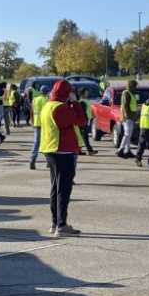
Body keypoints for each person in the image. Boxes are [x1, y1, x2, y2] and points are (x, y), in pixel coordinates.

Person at [39, 79, 86, 236]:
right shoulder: (60, 108)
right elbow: (81, 120)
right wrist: (75, 103)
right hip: (62, 151)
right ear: (67, 93)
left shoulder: (48, 106)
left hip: (51, 149)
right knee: (63, 190)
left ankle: (55, 222)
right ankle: (61, 225)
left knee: (55, 188)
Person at [29, 83, 49, 169]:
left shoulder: (35, 99)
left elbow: (32, 111)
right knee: (47, 142)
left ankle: (32, 160)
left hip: (36, 123)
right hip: (44, 123)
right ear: (46, 92)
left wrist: (32, 121)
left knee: (36, 142)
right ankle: (49, 161)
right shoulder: (46, 100)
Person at [117, 80, 140, 157]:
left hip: (131, 117)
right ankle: (120, 150)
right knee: (127, 134)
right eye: (135, 86)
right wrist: (125, 116)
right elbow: (125, 106)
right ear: (131, 86)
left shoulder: (132, 94)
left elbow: (133, 106)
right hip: (127, 117)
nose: (136, 88)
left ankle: (127, 150)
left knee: (129, 134)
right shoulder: (126, 93)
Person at [78, 88, 96, 155]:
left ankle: (79, 150)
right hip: (83, 121)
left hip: (87, 120)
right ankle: (90, 150)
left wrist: (93, 115)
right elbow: (82, 112)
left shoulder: (86, 101)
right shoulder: (81, 102)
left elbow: (90, 109)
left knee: (83, 137)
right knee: (85, 137)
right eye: (86, 92)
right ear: (82, 93)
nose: (87, 93)